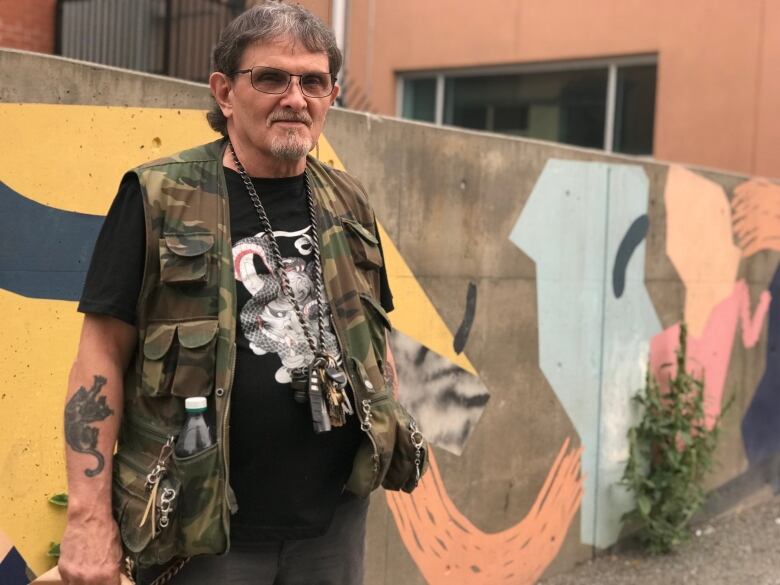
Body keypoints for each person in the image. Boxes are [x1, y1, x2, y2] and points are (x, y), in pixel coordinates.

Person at [58, 3, 427, 584]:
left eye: (313, 81)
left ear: (331, 94)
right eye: (272, 78)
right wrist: (86, 518)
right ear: (225, 92)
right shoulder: (158, 195)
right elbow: (98, 357)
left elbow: (374, 343)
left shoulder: (349, 201)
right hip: (201, 528)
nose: (295, 97)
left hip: (333, 523)